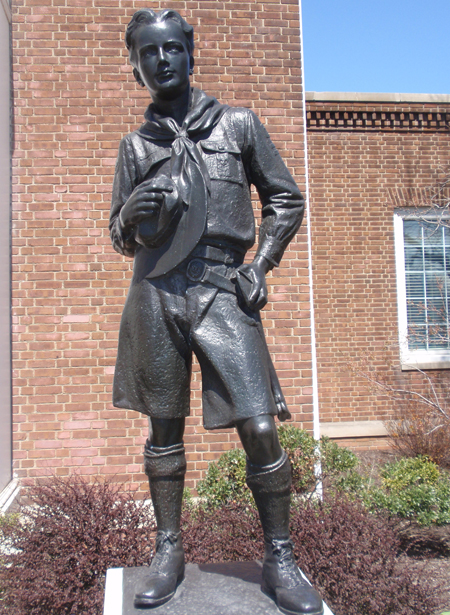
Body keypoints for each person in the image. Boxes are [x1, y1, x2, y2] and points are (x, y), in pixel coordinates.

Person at [109, 8, 323, 615]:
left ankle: (281, 556)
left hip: (222, 291)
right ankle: (168, 549)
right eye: (148, 53)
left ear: (190, 53)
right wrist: (127, 217)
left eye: (172, 48)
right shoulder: (135, 146)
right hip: (155, 292)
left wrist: (262, 264)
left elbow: (285, 197)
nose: (163, 60)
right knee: (163, 426)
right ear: (135, 67)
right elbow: (120, 236)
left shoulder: (238, 124)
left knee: (259, 425)